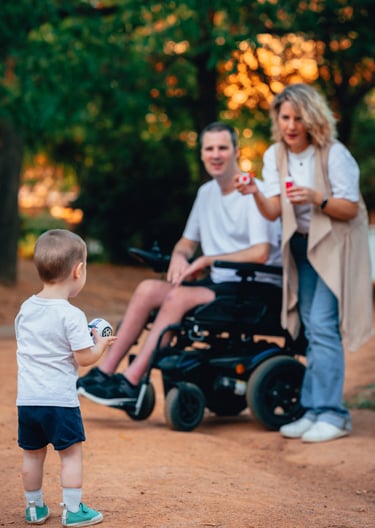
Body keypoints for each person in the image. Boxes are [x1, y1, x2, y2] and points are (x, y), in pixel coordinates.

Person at [77, 121, 282, 406]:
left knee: (177, 295)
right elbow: (186, 242)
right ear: (201, 154)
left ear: (236, 151)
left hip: (255, 285)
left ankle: (131, 381)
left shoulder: (252, 192)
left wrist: (209, 259)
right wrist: (179, 256)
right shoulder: (206, 193)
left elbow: (261, 253)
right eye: (209, 148)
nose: (216, 154)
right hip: (221, 283)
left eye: (223, 147)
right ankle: (104, 372)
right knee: (148, 288)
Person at [236, 83, 373, 443]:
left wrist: (316, 198)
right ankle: (314, 410)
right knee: (312, 326)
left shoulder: (333, 154)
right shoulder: (275, 155)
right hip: (300, 247)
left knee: (323, 326)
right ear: (277, 119)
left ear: (312, 118)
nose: (291, 125)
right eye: (285, 117)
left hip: (334, 245)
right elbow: (273, 210)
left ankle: (333, 414)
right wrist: (254, 193)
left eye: (299, 117)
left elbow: (352, 209)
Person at [15, 229, 117, 526]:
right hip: (60, 401)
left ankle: (34, 508)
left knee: (32, 456)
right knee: (70, 455)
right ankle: (73, 511)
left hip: (29, 400)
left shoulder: (26, 309)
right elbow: (83, 358)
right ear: (78, 270)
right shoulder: (71, 315)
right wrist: (100, 344)